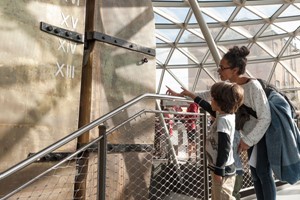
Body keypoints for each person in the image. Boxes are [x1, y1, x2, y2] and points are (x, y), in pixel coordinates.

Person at [169, 46, 275, 200]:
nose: (219, 70)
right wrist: (186, 94)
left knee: (263, 174)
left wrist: (248, 140)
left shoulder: (253, 87)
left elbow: (265, 117)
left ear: (235, 69)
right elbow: (207, 96)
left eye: (222, 67)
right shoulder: (229, 87)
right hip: (247, 137)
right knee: (256, 174)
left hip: (259, 136)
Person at [167, 81, 244, 200]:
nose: (210, 100)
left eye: (213, 98)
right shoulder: (225, 114)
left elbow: (225, 147)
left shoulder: (223, 120)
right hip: (220, 168)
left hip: (223, 170)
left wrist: (219, 171)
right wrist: (191, 95)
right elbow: (206, 106)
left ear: (220, 103)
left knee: (222, 197)